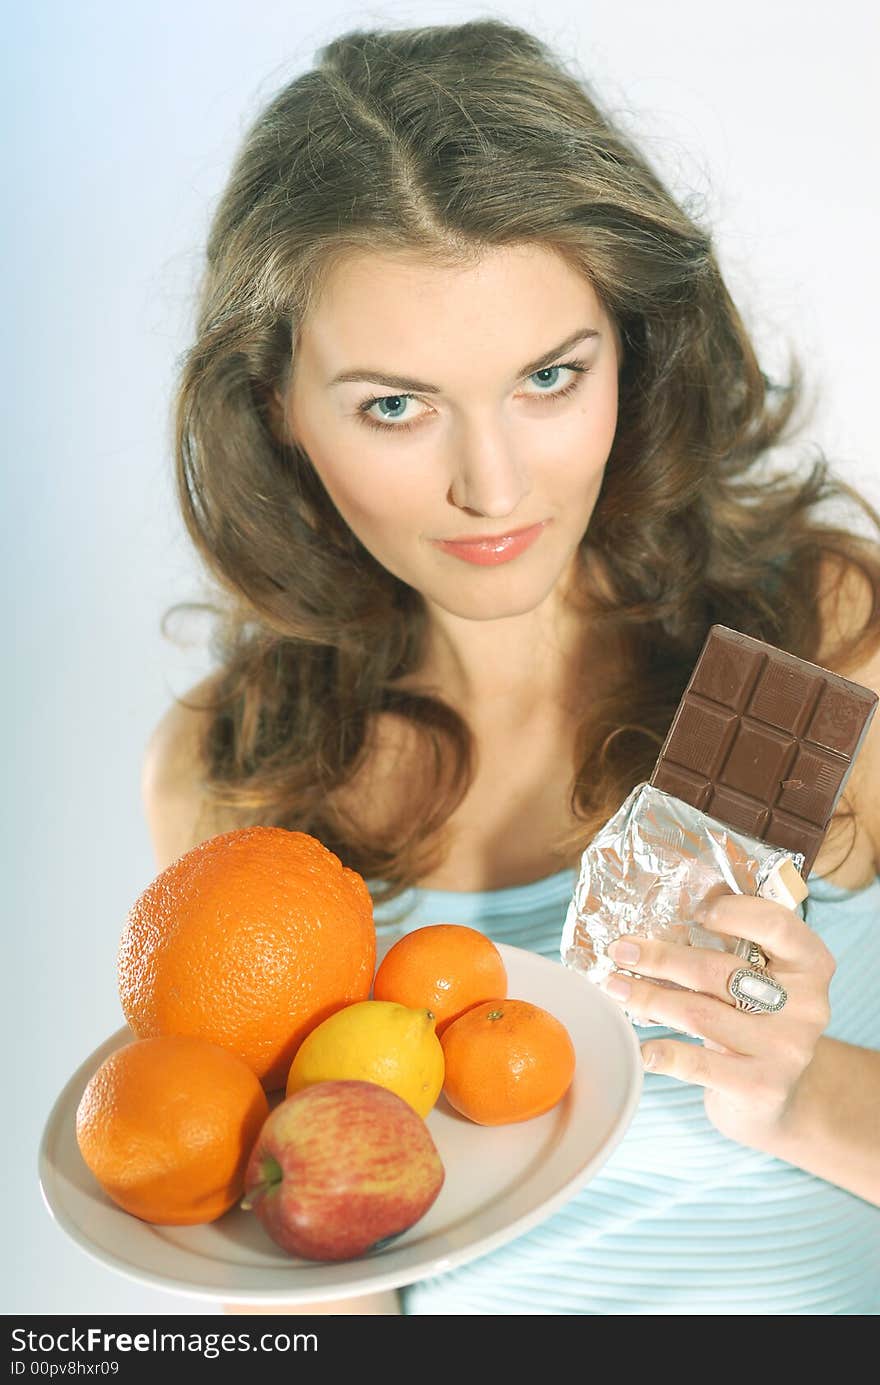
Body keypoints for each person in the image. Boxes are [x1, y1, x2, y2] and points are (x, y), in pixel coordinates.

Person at [143, 19, 880, 1315]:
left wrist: (800, 1093)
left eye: (549, 375)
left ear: (631, 345)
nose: (492, 484)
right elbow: (320, 1297)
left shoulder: (812, 629)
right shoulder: (237, 766)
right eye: (394, 404)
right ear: (276, 404)